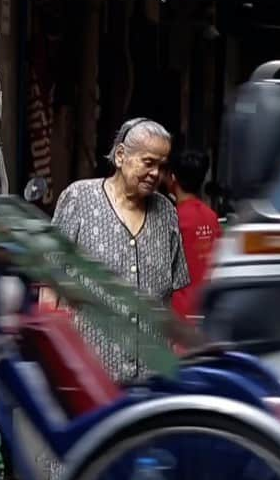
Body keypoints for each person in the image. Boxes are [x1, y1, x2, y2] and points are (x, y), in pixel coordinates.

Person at [50, 117, 189, 383]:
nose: (155, 174)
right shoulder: (79, 199)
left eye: (161, 166)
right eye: (148, 163)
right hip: (89, 374)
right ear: (121, 155)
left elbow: (169, 296)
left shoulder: (167, 213)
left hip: (151, 377)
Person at [166, 149, 221, 320]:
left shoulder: (172, 218)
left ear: (173, 178)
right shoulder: (212, 217)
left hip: (179, 314)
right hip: (207, 311)